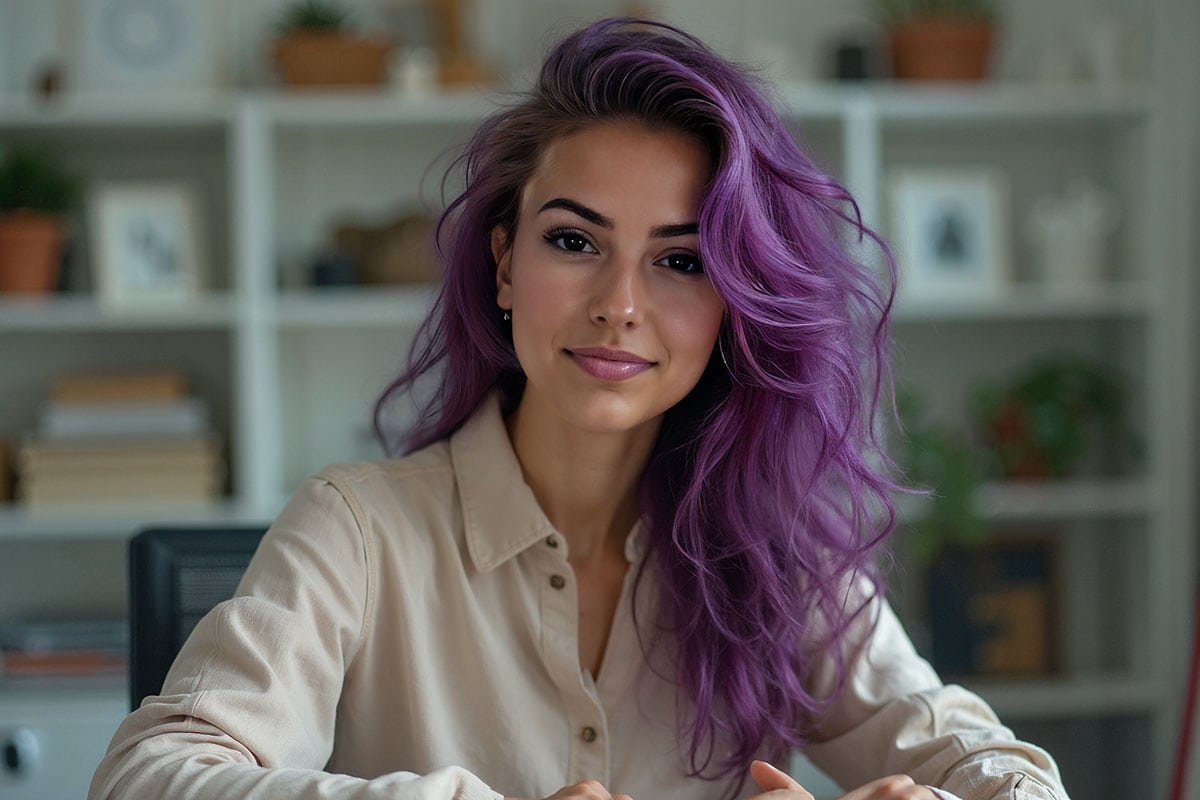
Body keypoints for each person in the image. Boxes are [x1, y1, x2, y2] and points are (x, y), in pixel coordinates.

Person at [90, 17, 1069, 800]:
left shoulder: (778, 558)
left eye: (682, 260)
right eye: (574, 241)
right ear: (505, 260)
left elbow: (1012, 777)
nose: (621, 304)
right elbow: (145, 779)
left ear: (735, 304)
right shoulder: (356, 528)